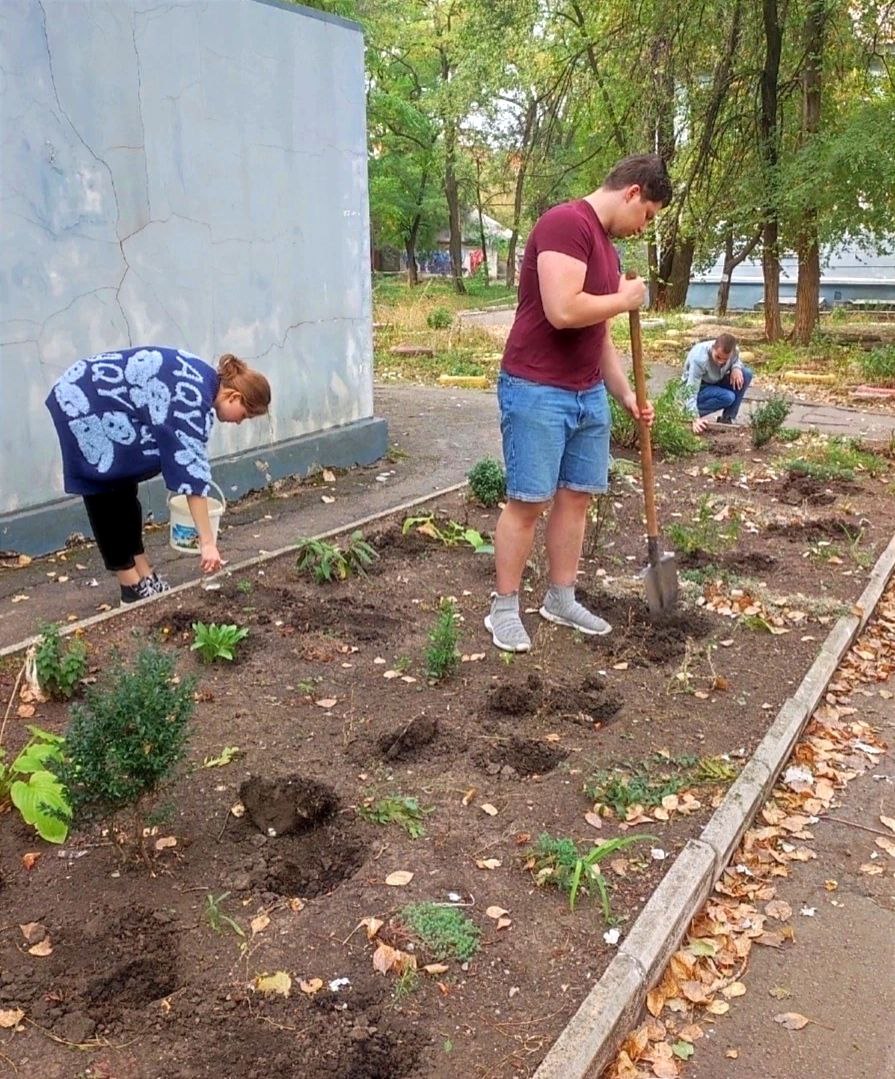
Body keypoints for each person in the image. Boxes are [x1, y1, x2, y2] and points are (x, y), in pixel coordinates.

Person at [486, 153, 673, 653]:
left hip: (587, 392)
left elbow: (599, 334)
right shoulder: (565, 223)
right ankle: (504, 608)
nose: (643, 227)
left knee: (577, 497)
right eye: (646, 215)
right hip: (537, 387)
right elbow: (563, 309)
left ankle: (561, 598)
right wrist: (625, 299)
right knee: (529, 501)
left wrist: (625, 393)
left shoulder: (609, 251)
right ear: (632, 193)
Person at [46, 347, 271, 604]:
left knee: (123, 483)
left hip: (102, 396)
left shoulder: (202, 382)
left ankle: (144, 572)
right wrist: (208, 543)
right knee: (103, 486)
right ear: (234, 397)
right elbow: (192, 474)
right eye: (244, 415)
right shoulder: (191, 398)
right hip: (81, 399)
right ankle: (130, 586)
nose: (239, 422)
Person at [681, 334, 753, 433]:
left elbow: (736, 360)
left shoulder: (734, 351)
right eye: (718, 357)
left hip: (716, 380)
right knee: (728, 397)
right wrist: (694, 417)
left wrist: (736, 367)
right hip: (699, 386)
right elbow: (691, 389)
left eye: (725, 360)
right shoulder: (699, 358)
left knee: (746, 374)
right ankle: (685, 412)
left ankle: (728, 419)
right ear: (713, 348)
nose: (720, 362)